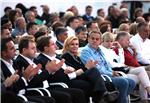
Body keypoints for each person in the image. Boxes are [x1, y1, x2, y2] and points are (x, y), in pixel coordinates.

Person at [36, 35, 119, 103]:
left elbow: (74, 69)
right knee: (90, 82)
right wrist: (79, 70)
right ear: (46, 48)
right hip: (65, 82)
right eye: (53, 44)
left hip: (74, 77)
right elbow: (57, 77)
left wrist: (75, 70)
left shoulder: (57, 56)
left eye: (77, 44)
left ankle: (103, 94)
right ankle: (102, 95)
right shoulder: (42, 60)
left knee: (107, 83)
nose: (56, 46)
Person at [14, 35, 86, 103]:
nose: (36, 51)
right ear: (24, 50)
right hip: (37, 90)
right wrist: (49, 71)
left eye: (35, 48)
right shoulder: (19, 62)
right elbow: (32, 83)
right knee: (66, 96)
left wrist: (49, 71)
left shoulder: (35, 60)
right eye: (32, 48)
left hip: (48, 87)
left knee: (78, 92)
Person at [80, 30, 136, 103]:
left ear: (100, 41)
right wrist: (110, 73)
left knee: (132, 82)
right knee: (123, 82)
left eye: (97, 39)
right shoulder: (86, 51)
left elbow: (106, 64)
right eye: (92, 38)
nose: (94, 41)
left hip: (108, 74)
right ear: (88, 39)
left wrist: (112, 71)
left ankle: (118, 100)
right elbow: (95, 69)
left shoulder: (99, 50)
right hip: (99, 78)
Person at [1, 37, 55, 103]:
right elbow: (10, 90)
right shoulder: (19, 62)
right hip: (17, 97)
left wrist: (51, 71)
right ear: (4, 53)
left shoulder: (14, 62)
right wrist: (26, 78)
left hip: (36, 91)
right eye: (12, 48)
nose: (15, 50)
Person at [101, 32, 150, 102]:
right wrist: (121, 64)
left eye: (111, 41)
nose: (109, 43)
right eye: (107, 41)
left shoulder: (111, 50)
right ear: (102, 41)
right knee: (141, 75)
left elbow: (121, 61)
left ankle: (144, 99)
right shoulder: (102, 50)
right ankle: (144, 97)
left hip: (123, 69)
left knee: (142, 75)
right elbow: (111, 64)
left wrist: (120, 49)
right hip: (117, 71)